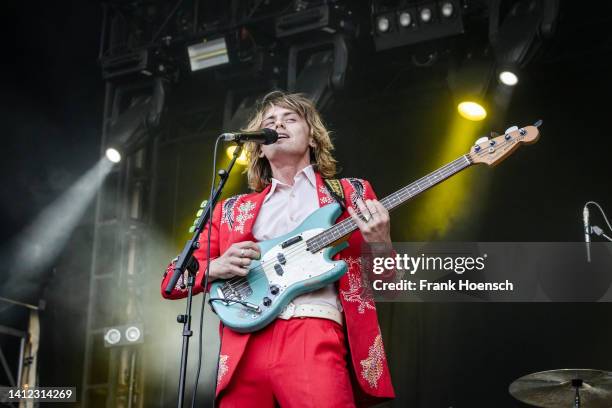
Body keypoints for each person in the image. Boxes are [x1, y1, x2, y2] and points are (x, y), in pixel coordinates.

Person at [161, 91, 395, 407]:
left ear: (313, 137)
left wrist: (382, 243)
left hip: (313, 331)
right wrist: (215, 267)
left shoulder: (350, 193)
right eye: (270, 121)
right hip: (244, 344)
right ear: (258, 145)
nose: (278, 125)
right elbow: (172, 281)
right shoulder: (232, 210)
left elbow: (386, 284)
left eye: (290, 119)